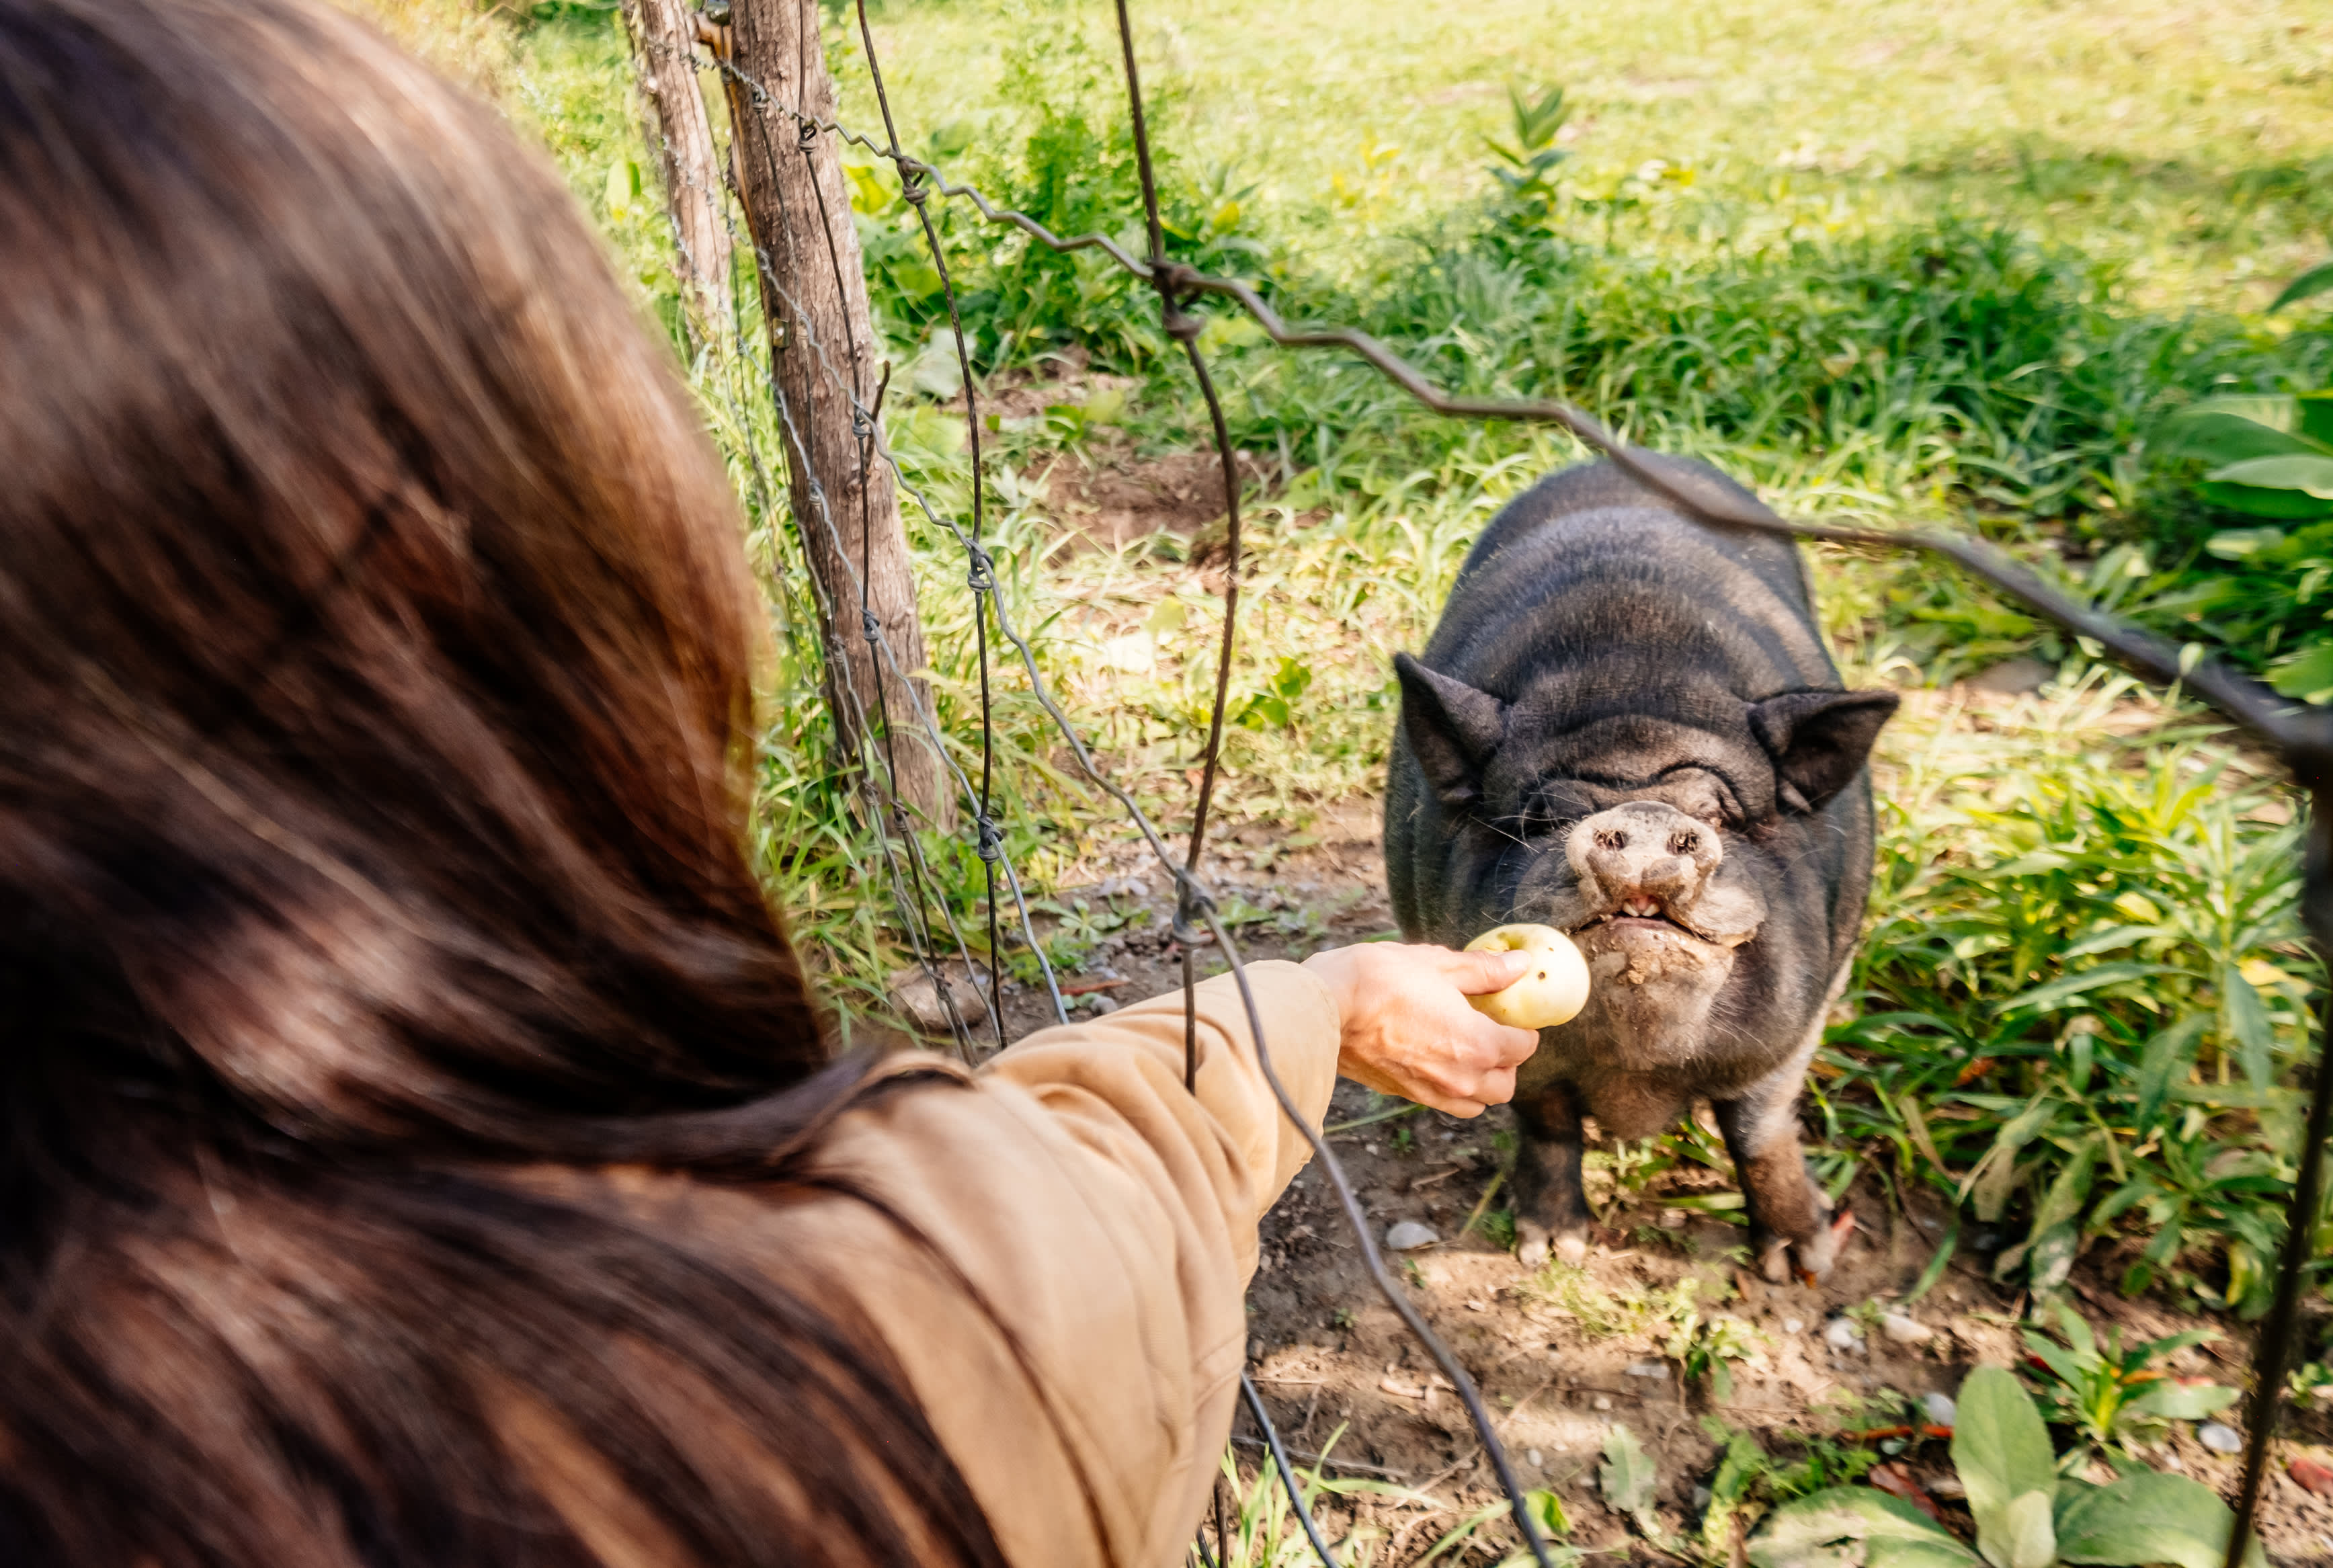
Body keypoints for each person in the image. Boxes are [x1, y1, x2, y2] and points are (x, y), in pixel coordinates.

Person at [0, 0, 1541, 1563]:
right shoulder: (872, 1326)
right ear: (497, 605)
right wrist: (1317, 1003)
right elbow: (1094, 1209)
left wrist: (1317, 997)